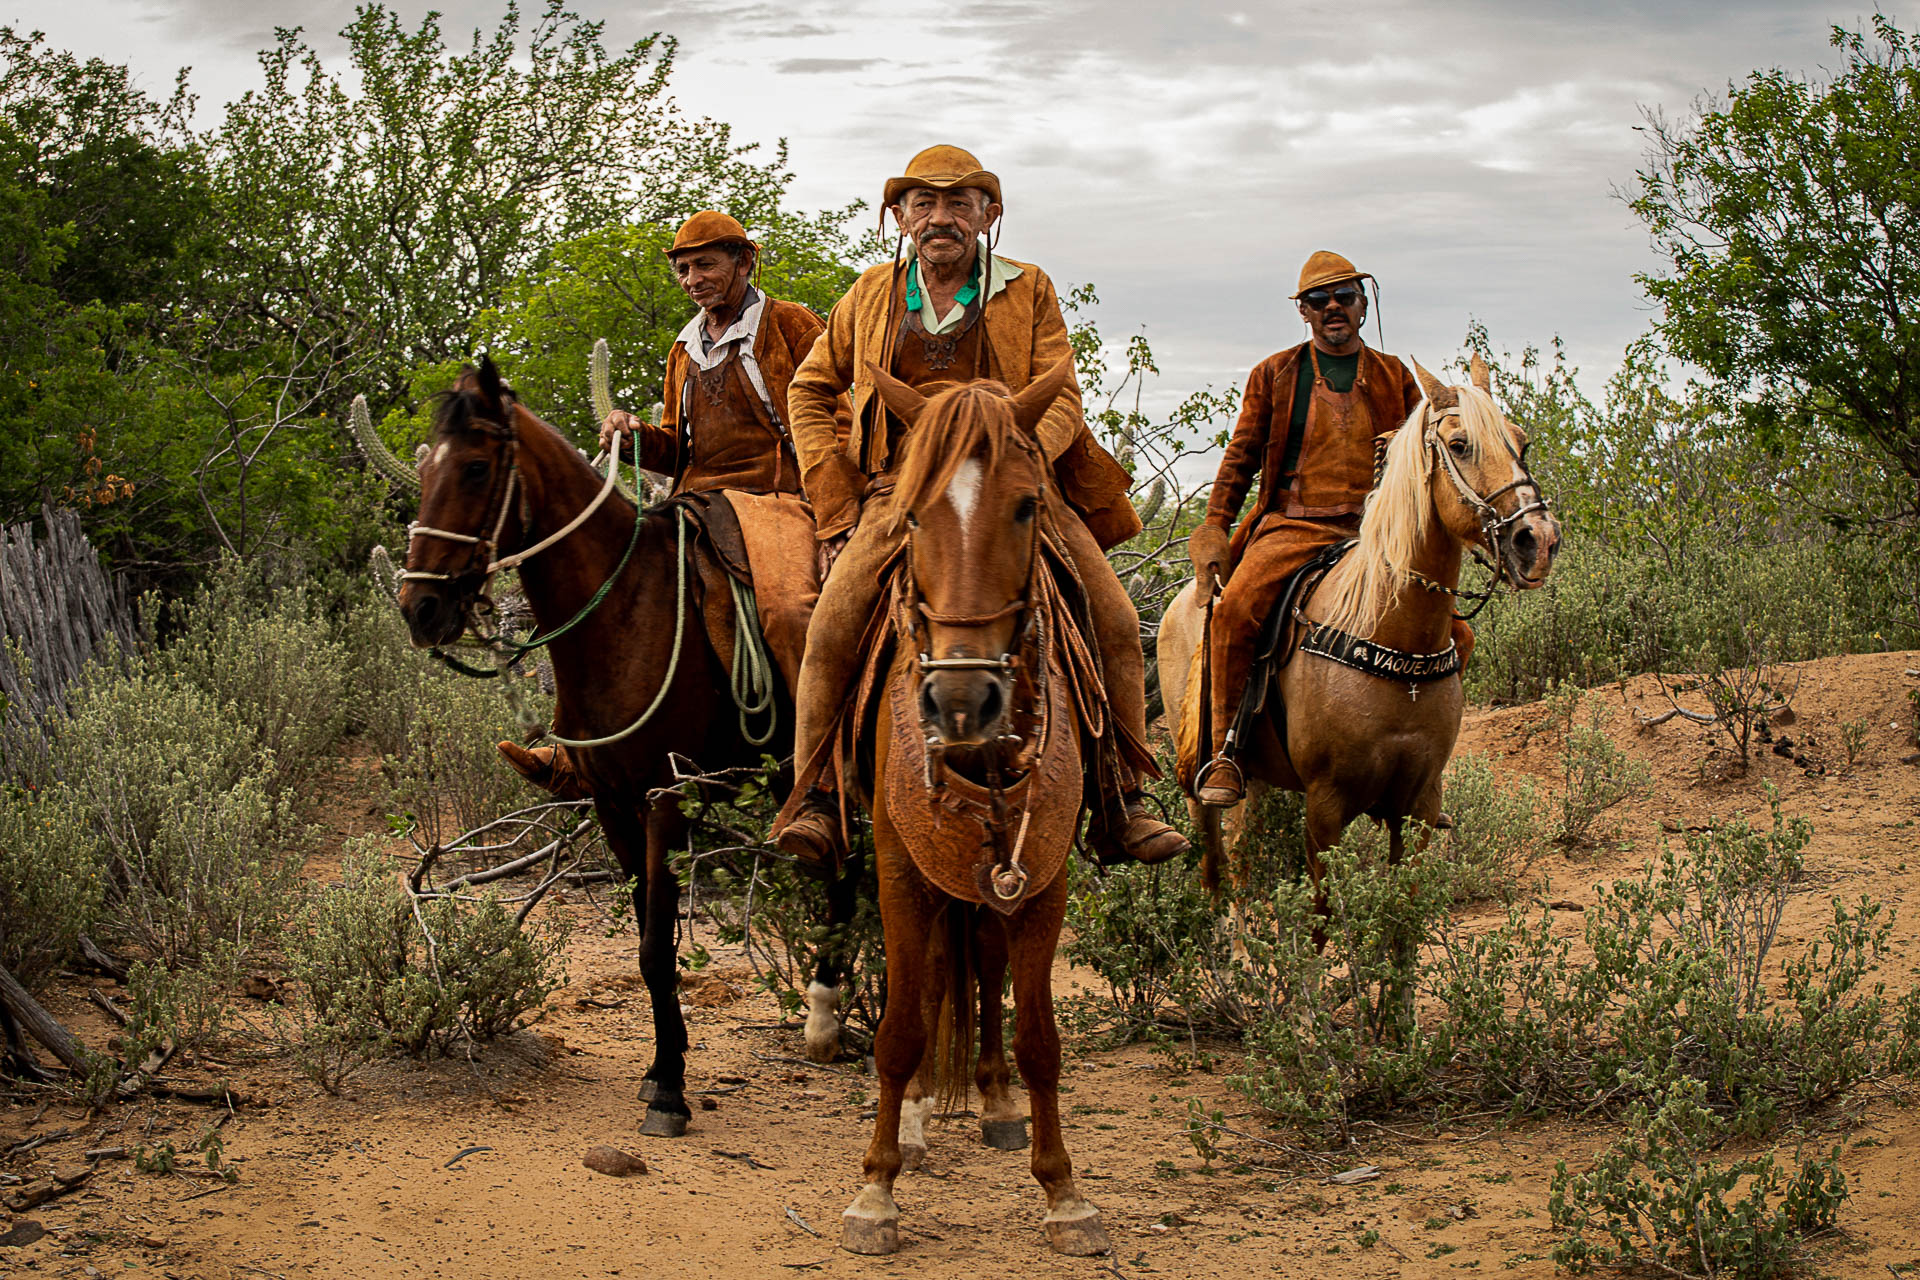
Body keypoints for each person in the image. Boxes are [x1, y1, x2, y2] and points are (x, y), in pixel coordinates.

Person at [771, 145, 1187, 869]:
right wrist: (835, 499)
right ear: (900, 218)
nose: (940, 218)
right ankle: (817, 801)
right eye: (923, 204)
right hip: (903, 492)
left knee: (1117, 620)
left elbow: (1064, 396)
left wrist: (1024, 462)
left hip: (1013, 488)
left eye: (959, 204)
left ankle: (1122, 797)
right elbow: (810, 390)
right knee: (831, 624)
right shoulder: (868, 295)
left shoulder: (1029, 289)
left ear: (988, 215)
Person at [499, 210, 847, 797]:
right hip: (696, 500)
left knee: (791, 613)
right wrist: (634, 437)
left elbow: (830, 415)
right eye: (684, 269)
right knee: (602, 597)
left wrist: (832, 501)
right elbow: (677, 446)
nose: (693, 279)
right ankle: (579, 753)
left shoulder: (789, 324)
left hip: (778, 497)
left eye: (706, 264)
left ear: (744, 261)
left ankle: (825, 767)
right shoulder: (683, 348)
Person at [1188, 250, 1448, 807]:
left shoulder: (1395, 376)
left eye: (1344, 297)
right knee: (1233, 614)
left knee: (1452, 627)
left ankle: (1423, 765)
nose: (1333, 307)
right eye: (1318, 300)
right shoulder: (1274, 374)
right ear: (1303, 312)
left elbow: (1424, 462)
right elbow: (1240, 460)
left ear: (1363, 302)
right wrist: (1214, 527)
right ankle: (1226, 752)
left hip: (1375, 535)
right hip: (1293, 526)